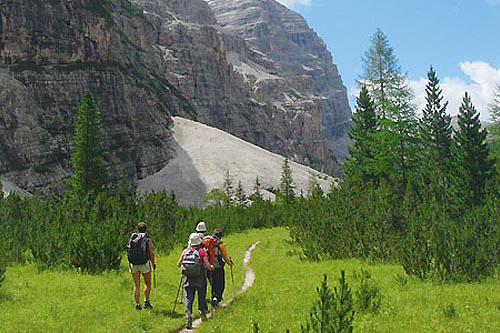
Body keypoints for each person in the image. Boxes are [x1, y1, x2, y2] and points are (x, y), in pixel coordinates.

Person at [177, 233, 214, 329]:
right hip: (200, 279)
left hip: (187, 280)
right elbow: (207, 265)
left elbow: (178, 264)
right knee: (201, 297)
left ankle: (188, 319)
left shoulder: (185, 251)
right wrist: (211, 267)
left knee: (188, 300)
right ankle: (203, 315)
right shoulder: (202, 252)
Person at [128, 222, 156, 311]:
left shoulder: (133, 237)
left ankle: (137, 304)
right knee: (147, 282)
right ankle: (146, 301)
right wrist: (153, 263)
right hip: (144, 263)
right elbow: (151, 252)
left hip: (134, 263)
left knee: (136, 285)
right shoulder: (147, 239)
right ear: (145, 229)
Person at [207, 229, 232, 307]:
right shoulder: (221, 245)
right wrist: (230, 263)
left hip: (209, 268)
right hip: (218, 268)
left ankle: (214, 297)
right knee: (221, 284)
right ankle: (217, 298)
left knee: (212, 284)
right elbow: (225, 257)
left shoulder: (208, 243)